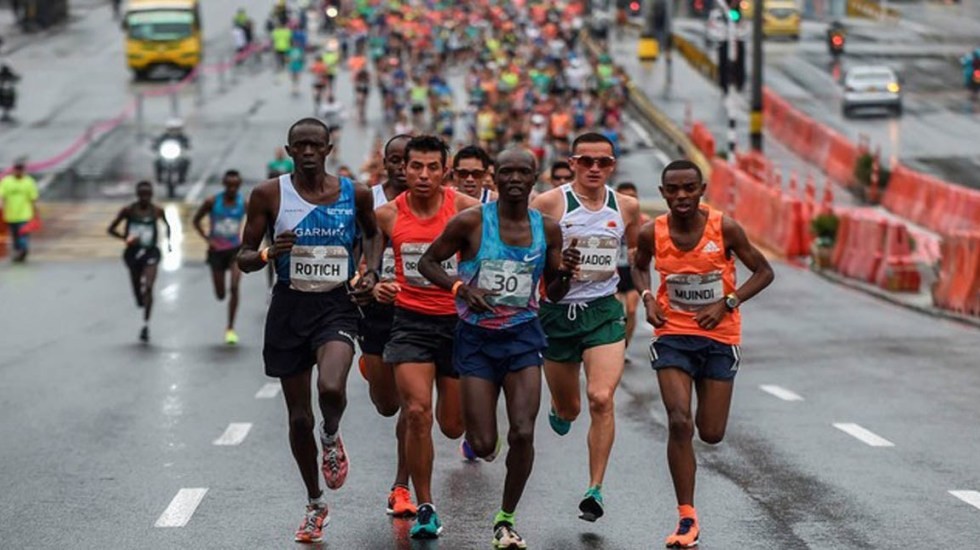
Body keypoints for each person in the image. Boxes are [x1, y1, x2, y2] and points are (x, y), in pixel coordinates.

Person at [418, 148, 581, 550]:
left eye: (523, 172)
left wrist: (565, 273)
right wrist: (461, 288)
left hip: (523, 337)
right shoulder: (472, 222)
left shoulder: (548, 229)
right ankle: (487, 442)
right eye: (506, 172)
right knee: (484, 444)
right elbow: (427, 262)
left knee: (523, 431)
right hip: (476, 339)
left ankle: (505, 518)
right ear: (495, 176)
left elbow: (554, 292)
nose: (514, 179)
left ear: (534, 177)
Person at [236, 118, 381, 544]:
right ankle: (315, 503)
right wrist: (268, 253)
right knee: (299, 418)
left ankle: (331, 435)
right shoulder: (268, 194)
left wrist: (371, 271)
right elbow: (243, 257)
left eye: (315, 145)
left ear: (328, 149)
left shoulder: (355, 193)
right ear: (289, 150)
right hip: (290, 307)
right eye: (300, 146)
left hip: (337, 305)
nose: (308, 152)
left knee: (331, 388)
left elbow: (374, 235)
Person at [631, 160, 774, 548]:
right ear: (662, 193)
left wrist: (727, 302)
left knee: (710, 433)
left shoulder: (724, 228)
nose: (681, 196)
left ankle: (688, 510)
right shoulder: (651, 232)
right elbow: (638, 267)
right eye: (673, 190)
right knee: (680, 421)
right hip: (673, 334)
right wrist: (648, 297)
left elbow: (764, 272)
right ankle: (686, 518)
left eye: (689, 188)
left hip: (719, 337)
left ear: (701, 190)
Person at [529, 132, 641, 522]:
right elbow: (529, 254)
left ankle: (595, 488)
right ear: (573, 163)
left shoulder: (626, 206)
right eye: (587, 161)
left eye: (603, 162)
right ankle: (560, 408)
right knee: (571, 408)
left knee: (601, 397)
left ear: (613, 165)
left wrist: (645, 293)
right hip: (557, 314)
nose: (595, 168)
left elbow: (636, 256)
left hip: (603, 311)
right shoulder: (549, 204)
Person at [373, 135, 480, 539]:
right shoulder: (387, 215)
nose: (423, 175)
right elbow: (367, 263)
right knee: (417, 412)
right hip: (410, 322)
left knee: (452, 426)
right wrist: (374, 285)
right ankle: (426, 506)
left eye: (432, 167)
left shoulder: (466, 210)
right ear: (404, 169)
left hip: (458, 324)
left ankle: (479, 430)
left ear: (445, 171)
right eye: (415, 166)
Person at [357, 134, 417, 518]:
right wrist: (364, 279)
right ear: (385, 163)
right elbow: (354, 251)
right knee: (387, 405)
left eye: (407, 161)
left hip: (419, 313)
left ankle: (401, 487)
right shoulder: (369, 201)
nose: (401, 167)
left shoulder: (434, 203)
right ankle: (372, 367)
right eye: (394, 160)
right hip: (377, 311)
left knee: (413, 407)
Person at [107, 181, 172, 343]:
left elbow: (168, 226)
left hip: (151, 252)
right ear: (137, 195)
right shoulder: (128, 211)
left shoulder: (157, 211)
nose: (144, 198)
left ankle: (146, 324)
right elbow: (111, 229)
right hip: (133, 253)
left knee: (149, 286)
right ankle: (140, 297)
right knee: (138, 291)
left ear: (151, 195)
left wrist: (169, 243)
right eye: (142, 195)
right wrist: (126, 238)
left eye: (147, 195)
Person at [192, 170, 246, 345]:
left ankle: (230, 327)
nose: (232, 189)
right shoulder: (212, 202)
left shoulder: (244, 203)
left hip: (235, 251)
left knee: (235, 287)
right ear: (224, 185)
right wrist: (208, 239)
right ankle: (222, 296)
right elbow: (196, 221)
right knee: (221, 294)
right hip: (216, 251)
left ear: (239, 186)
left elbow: (256, 222)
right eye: (229, 185)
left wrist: (248, 241)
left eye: (235, 186)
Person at [613, 182, 651, 357]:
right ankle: (616, 345)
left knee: (632, 310)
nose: (629, 200)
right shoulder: (608, 218)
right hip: (614, 272)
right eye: (625, 196)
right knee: (618, 311)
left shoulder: (644, 221)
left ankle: (624, 347)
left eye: (633, 196)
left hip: (633, 271)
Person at [0, 158, 38, 263]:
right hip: (11, 215)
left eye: (20, 169)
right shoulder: (6, 182)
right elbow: (2, 196)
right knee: (15, 235)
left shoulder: (29, 182)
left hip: (25, 215)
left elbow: (33, 198)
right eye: (17, 169)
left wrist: (35, 213)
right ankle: (18, 251)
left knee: (23, 235)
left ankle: (23, 250)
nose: (18, 171)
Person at [154, 118, 191, 184]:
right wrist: (155, 146)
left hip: (178, 155)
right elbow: (158, 142)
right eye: (172, 129)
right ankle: (159, 177)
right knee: (157, 162)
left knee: (186, 161)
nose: (174, 131)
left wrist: (187, 146)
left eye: (176, 129)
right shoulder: (164, 136)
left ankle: (182, 177)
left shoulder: (182, 137)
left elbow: (187, 144)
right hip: (166, 154)